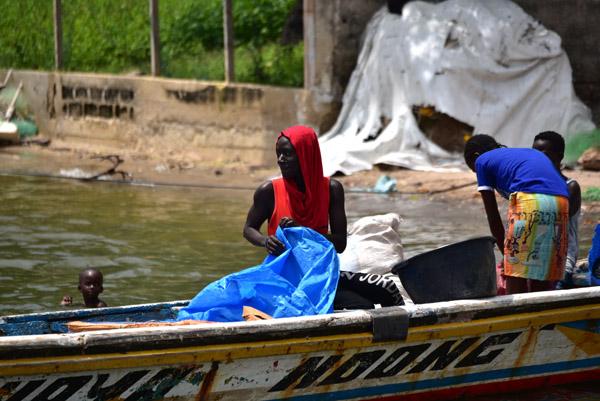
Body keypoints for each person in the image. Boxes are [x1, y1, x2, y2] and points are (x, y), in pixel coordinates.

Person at [464, 134, 569, 294]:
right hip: (562, 202)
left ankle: (517, 307)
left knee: (514, 275)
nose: (476, 172)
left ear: (475, 156)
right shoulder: (519, 157)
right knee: (541, 272)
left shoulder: (481, 161)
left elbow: (493, 217)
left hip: (531, 200)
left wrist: (507, 257)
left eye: (473, 169)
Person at [243, 125, 347, 255]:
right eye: (278, 153)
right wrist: (265, 241)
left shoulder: (332, 189)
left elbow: (340, 244)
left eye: (287, 154)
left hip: (318, 266)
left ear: (306, 155)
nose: (280, 160)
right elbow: (249, 229)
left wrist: (301, 232)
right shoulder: (269, 191)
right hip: (282, 266)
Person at [532, 131, 582, 289]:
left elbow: (554, 224)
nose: (538, 159)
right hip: (535, 257)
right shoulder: (530, 186)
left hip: (561, 259)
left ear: (559, 157)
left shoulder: (570, 187)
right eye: (534, 153)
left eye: (544, 154)